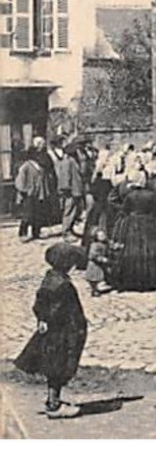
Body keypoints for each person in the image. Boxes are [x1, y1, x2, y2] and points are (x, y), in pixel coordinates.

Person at [15, 243, 88, 418]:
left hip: (54, 330)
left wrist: (42, 318)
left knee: (55, 366)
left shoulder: (50, 278)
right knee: (59, 366)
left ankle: (52, 400)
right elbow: (62, 308)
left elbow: (40, 302)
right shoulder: (63, 285)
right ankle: (54, 405)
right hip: (63, 332)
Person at [111, 170, 156, 292]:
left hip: (133, 224)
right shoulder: (152, 195)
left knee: (133, 249)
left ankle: (133, 278)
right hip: (149, 224)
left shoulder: (130, 196)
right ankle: (150, 278)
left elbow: (124, 211)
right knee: (148, 249)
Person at [15, 148, 50, 241]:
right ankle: (23, 233)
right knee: (27, 214)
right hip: (29, 194)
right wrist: (24, 190)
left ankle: (36, 232)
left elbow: (43, 180)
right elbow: (20, 180)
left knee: (38, 214)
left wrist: (45, 191)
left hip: (39, 194)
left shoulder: (40, 166)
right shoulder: (26, 166)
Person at [53, 142, 85, 240]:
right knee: (69, 211)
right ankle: (66, 233)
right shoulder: (68, 161)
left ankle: (70, 229)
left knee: (74, 211)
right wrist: (66, 189)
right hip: (70, 191)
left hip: (75, 190)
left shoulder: (72, 160)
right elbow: (65, 176)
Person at [85, 228, 109, 296]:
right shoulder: (94, 245)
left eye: (103, 235)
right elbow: (92, 255)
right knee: (94, 278)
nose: (103, 237)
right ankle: (94, 290)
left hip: (99, 265)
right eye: (101, 236)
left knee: (98, 278)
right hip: (94, 265)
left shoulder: (105, 243)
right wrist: (101, 259)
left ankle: (95, 289)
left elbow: (110, 245)